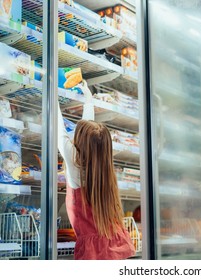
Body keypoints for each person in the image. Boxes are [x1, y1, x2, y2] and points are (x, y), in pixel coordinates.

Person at [57, 80, 135, 260]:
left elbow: (60, 134)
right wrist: (88, 98)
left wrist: (51, 92)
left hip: (96, 253)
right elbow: (92, 135)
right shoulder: (103, 169)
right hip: (114, 244)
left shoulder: (76, 166)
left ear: (81, 144)